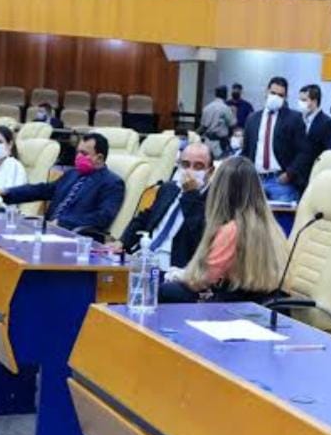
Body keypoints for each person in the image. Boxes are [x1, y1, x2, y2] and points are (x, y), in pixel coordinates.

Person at [160, 156, 287, 303]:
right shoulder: (274, 227)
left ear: (221, 190)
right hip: (257, 302)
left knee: (166, 290)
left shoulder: (231, 230)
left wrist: (177, 276)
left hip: (231, 306)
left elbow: (202, 281)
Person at [0, 132, 123, 233]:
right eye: (78, 152)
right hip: (48, 230)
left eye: (84, 154)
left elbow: (102, 217)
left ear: (99, 158)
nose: (78, 157)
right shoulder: (73, 174)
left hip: (74, 236)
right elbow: (44, 190)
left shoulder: (112, 183)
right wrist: (6, 192)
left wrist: (62, 223)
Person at [118, 142, 211, 269]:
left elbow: (199, 237)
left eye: (198, 166)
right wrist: (122, 242)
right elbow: (145, 217)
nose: (190, 171)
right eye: (185, 164)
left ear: (210, 171)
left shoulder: (213, 200)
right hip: (145, 254)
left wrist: (191, 195)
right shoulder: (169, 188)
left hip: (173, 266)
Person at [240, 76, 310, 203]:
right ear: (266, 92)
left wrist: (290, 174)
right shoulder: (253, 119)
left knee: (281, 221)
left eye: (280, 95)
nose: (276, 97)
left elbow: (304, 152)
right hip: (255, 181)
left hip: (281, 182)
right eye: (273, 93)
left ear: (285, 97)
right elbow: (246, 150)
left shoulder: (294, 119)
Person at [299, 84, 331, 166]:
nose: (300, 103)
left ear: (314, 101)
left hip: (316, 170)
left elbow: (329, 153)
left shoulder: (328, 123)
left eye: (304, 100)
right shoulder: (298, 119)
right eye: (299, 100)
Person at [198, 85, 236, 158]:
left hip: (207, 142)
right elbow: (232, 124)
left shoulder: (207, 108)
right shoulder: (225, 108)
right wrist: (234, 112)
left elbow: (203, 127)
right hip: (220, 144)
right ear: (225, 95)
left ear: (215, 94)